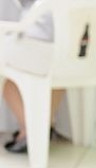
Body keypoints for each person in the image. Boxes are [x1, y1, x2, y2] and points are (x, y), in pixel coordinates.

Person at [1, 0, 64, 154]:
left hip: (38, 45)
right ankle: (43, 126)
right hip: (74, 53)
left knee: (8, 83)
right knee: (58, 81)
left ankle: (30, 130)